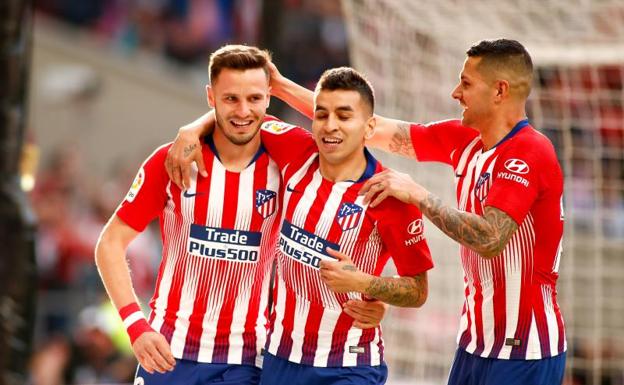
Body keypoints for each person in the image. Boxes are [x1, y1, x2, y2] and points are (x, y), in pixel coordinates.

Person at [168, 39, 566, 385]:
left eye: (465, 83)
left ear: (499, 91)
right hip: (474, 342)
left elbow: (491, 239)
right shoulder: (463, 140)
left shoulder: (530, 152)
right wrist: (201, 123)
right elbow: (359, 124)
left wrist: (419, 198)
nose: (454, 93)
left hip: (525, 348)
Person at [94, 45, 386, 385]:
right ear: (210, 97)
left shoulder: (290, 159)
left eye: (254, 99)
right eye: (230, 99)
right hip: (167, 353)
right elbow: (110, 243)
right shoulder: (174, 159)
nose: (244, 111)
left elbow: (349, 132)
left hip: (246, 360)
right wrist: (134, 325)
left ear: (268, 99)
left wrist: (376, 296)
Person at [168, 67, 433, 385]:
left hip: (348, 364)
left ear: (369, 127)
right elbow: (244, 118)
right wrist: (192, 128)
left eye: (344, 116)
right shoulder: (295, 149)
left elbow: (417, 291)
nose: (330, 126)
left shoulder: (391, 196)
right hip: (279, 357)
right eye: (321, 114)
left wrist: (365, 283)